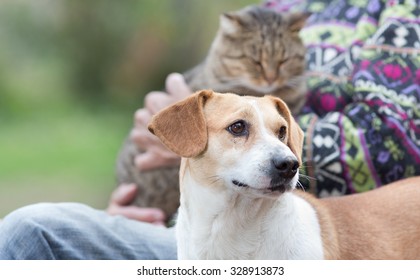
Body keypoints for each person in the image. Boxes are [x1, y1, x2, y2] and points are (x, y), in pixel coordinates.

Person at [0, 0, 418, 259]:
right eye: (240, 129)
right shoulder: (273, 10)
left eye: (282, 134)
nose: (288, 155)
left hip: (295, 235)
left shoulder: (403, 12)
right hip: (190, 235)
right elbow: (202, 120)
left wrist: (219, 138)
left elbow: (392, 138)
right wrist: (142, 189)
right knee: (35, 233)